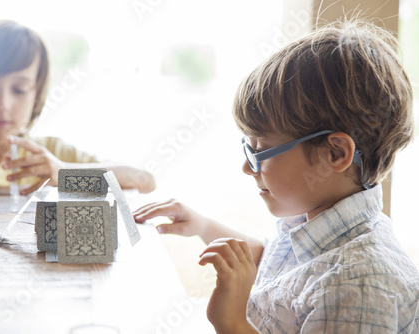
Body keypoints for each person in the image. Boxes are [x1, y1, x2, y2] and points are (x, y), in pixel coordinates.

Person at [133, 20, 419, 333]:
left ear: (335, 154)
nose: (247, 167)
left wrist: (232, 323)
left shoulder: (359, 287)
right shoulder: (322, 222)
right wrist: (201, 225)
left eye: (261, 151)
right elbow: (277, 265)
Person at [0, 19, 155, 197]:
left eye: (20, 90)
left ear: (36, 94)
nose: (3, 104)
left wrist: (65, 174)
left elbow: (144, 180)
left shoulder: (50, 153)